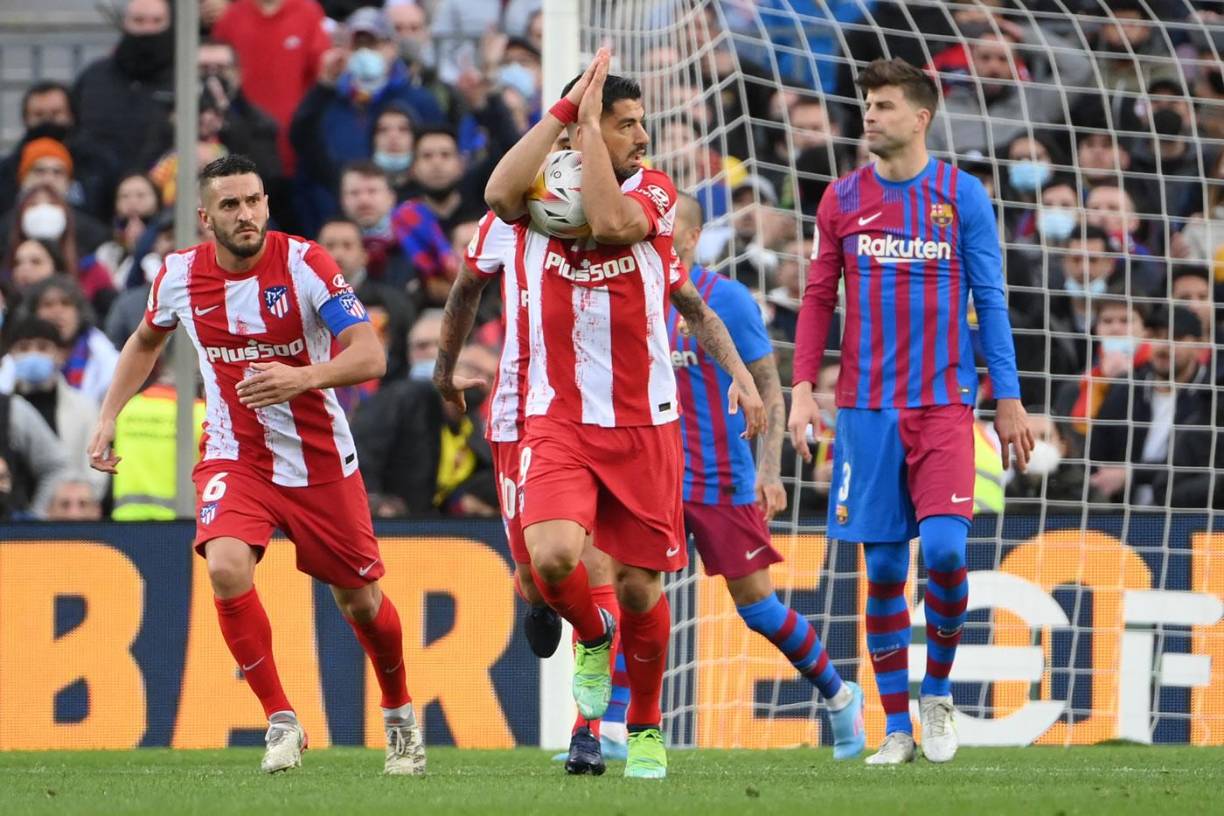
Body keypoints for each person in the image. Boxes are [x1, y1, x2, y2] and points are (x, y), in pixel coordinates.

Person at [472, 49, 765, 778]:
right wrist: (568, 116)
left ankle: (643, 725)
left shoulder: (658, 194)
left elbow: (609, 222)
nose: (644, 137)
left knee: (640, 587)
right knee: (553, 560)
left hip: (643, 421)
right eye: (627, 124)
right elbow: (496, 190)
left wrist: (743, 380)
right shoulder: (539, 196)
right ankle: (592, 637)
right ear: (591, 129)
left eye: (641, 124)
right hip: (556, 417)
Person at [86, 154, 424, 776]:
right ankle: (281, 720)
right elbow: (144, 340)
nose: (246, 215)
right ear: (205, 216)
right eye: (232, 205)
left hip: (319, 459)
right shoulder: (180, 275)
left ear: (267, 203)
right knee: (225, 564)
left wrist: (303, 376)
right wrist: (109, 413)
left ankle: (401, 713)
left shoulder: (305, 265)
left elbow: (371, 355)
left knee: (361, 603)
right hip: (234, 454)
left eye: (254, 201)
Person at [787, 58, 1033, 766]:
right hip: (865, 413)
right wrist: (803, 387)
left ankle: (938, 693)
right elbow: (817, 299)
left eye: (885, 106)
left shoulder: (962, 196)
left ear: (920, 117)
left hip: (947, 406)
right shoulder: (840, 199)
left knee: (949, 555)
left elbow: (990, 300)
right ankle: (896, 727)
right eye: (867, 104)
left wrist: (1008, 398)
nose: (870, 115)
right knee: (887, 571)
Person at [667, 193, 865, 758]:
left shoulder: (724, 298)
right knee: (634, 592)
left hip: (721, 477)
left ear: (692, 236)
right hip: (654, 478)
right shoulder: (635, 293)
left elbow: (769, 387)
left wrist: (769, 471)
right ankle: (609, 730)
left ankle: (838, 695)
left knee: (758, 609)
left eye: (666, 223)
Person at [71, 0, 175, 169]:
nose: (148, 29)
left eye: (157, 21)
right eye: (138, 21)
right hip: (99, 184)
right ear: (125, 23)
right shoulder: (94, 77)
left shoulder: (184, 80)